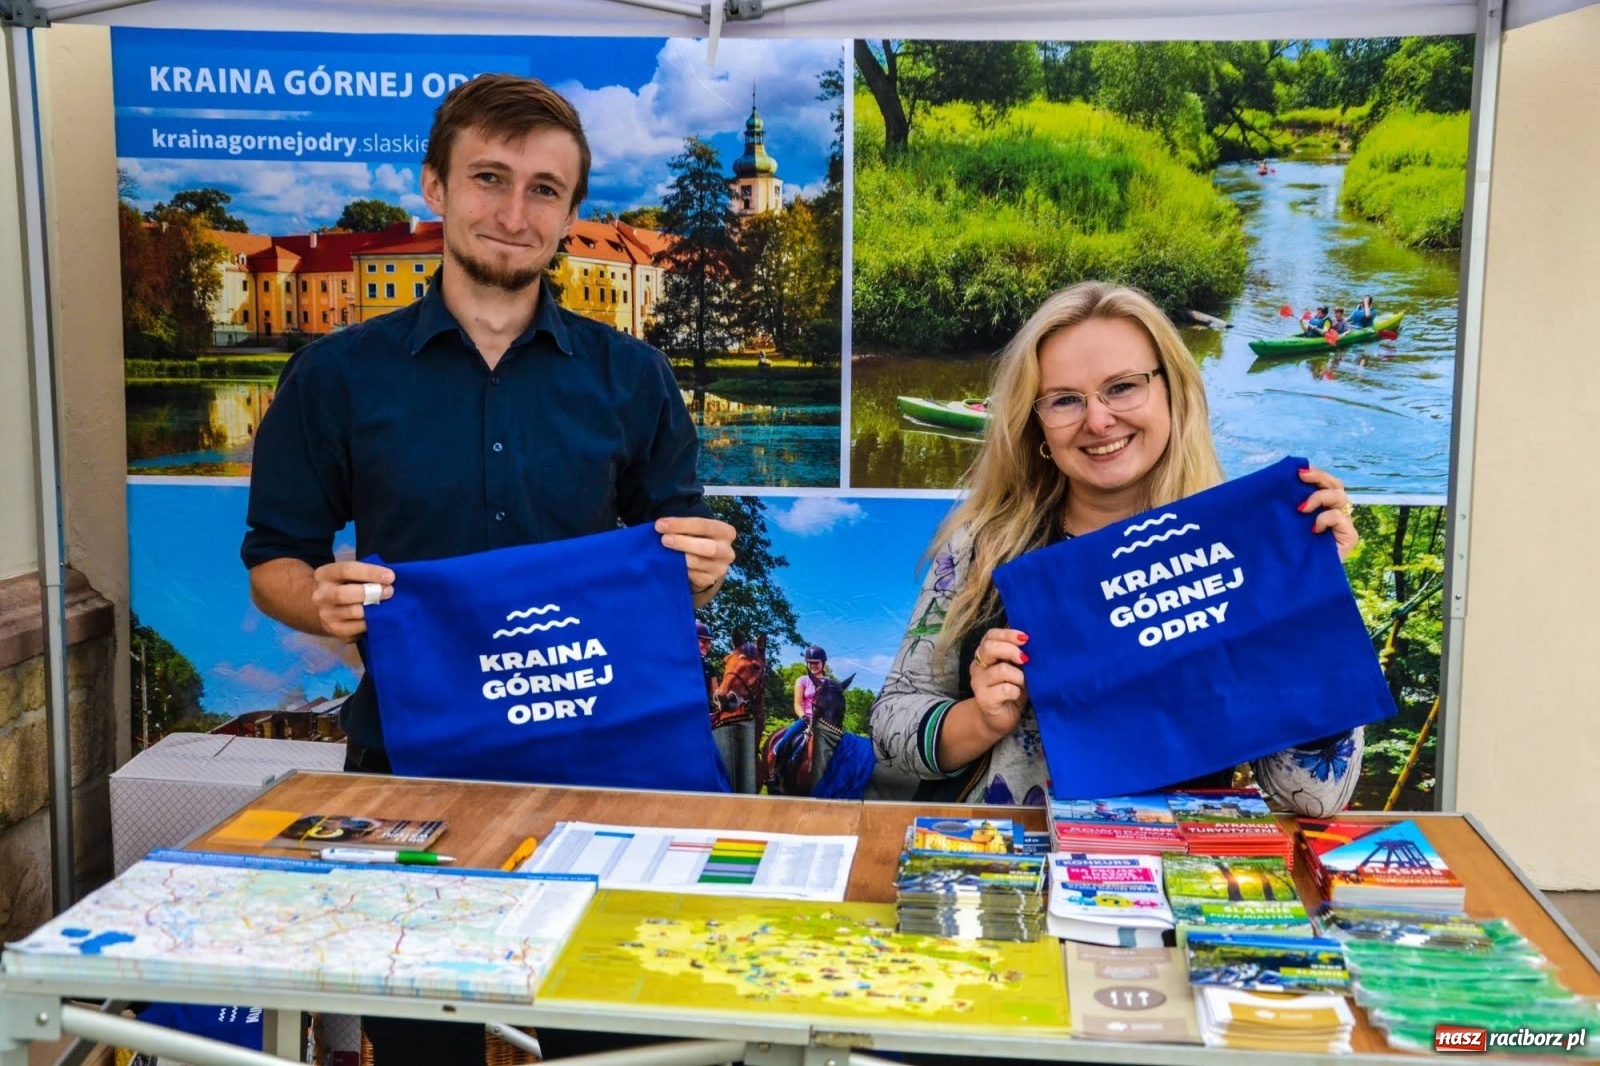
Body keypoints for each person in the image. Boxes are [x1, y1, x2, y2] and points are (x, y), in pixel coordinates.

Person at [240, 74, 735, 1064]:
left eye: (544, 189)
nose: (514, 213)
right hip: (412, 769)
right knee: (423, 1046)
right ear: (435, 185)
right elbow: (273, 558)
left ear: (571, 210)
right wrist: (321, 598)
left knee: (623, 1040)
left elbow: (672, 552)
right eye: (489, 178)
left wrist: (703, 564)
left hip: (602, 771)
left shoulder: (632, 377)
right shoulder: (335, 376)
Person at [869, 281, 1364, 815]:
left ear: (1172, 391)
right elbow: (889, 728)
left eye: (1123, 387)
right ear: (1035, 421)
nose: (1098, 420)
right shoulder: (981, 544)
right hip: (1011, 854)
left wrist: (1309, 597)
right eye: (1064, 399)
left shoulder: (1246, 550)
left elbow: (1317, 796)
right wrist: (980, 720)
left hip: (1180, 862)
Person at [793, 644, 828, 719]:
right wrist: (804, 717)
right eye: (810, 663)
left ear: (823, 663)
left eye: (816, 663)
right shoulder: (802, 681)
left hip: (825, 721)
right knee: (791, 728)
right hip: (806, 718)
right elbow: (797, 704)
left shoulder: (829, 683)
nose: (813, 665)